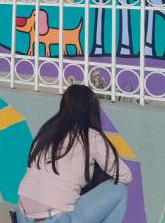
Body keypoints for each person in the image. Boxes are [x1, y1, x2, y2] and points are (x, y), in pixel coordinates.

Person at [16, 84, 132, 223]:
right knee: (119, 190)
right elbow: (125, 176)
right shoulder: (91, 137)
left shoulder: (46, 131)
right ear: (91, 109)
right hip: (55, 218)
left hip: (22, 215)